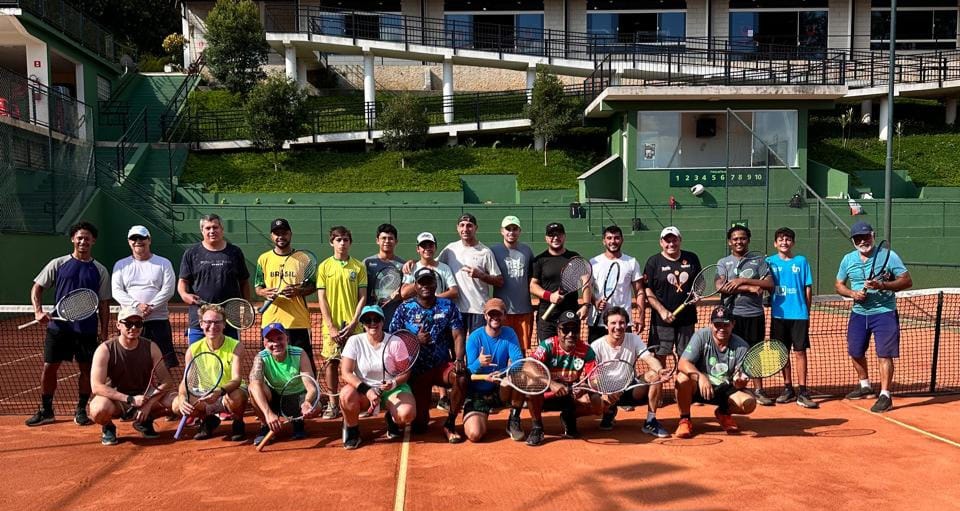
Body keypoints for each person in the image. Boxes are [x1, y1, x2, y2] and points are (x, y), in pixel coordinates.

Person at [26, 221, 112, 427]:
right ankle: (46, 410)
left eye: (87, 238)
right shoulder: (58, 264)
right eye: (79, 237)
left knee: (87, 370)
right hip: (59, 329)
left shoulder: (100, 270)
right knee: (49, 368)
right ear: (73, 239)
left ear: (93, 241)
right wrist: (38, 311)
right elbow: (37, 287)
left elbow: (104, 304)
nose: (83, 241)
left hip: (87, 330)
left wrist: (104, 332)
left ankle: (81, 410)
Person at [835, 221, 911, 413]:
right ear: (853, 241)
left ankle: (885, 395)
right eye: (858, 238)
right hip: (859, 313)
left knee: (884, 354)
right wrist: (852, 293)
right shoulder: (847, 259)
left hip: (884, 313)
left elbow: (907, 281)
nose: (863, 241)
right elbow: (839, 285)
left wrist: (882, 285)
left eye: (866, 237)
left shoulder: (889, 256)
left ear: (873, 235)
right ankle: (865, 386)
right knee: (855, 351)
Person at [389, 267, 468, 443]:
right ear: (415, 285)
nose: (425, 286)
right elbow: (393, 339)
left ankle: (450, 423)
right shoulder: (404, 308)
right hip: (417, 371)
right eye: (421, 282)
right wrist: (415, 340)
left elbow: (458, 335)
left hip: (441, 366)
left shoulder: (448, 306)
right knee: (419, 427)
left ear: (435, 284)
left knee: (462, 377)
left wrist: (459, 359)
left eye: (429, 282)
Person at [89, 307, 175, 445]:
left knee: (176, 402)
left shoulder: (151, 347)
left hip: (144, 397)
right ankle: (108, 426)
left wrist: (149, 403)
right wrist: (130, 399)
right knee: (98, 410)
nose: (133, 328)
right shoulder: (105, 349)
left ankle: (145, 420)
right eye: (128, 324)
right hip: (116, 400)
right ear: (118, 325)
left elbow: (167, 381)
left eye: (138, 324)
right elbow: (96, 387)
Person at [339, 305, 417, 449]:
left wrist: (393, 383)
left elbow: (405, 373)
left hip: (393, 389)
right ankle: (352, 430)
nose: (372, 323)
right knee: (346, 395)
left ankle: (392, 419)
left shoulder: (395, 342)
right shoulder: (354, 341)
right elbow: (346, 372)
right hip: (363, 390)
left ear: (382, 321)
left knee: (406, 414)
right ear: (363, 324)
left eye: (376, 319)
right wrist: (367, 390)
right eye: (368, 320)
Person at [674, 306, 757, 438]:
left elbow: (741, 379)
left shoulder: (742, 346)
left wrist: (739, 382)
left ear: (733, 324)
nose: (721, 329)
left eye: (726, 325)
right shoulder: (701, 336)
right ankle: (685, 419)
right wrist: (700, 377)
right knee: (682, 378)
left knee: (749, 403)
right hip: (699, 388)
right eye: (717, 325)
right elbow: (683, 363)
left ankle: (723, 413)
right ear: (711, 324)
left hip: (725, 390)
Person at [590, 306, 669, 438]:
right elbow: (592, 378)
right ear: (606, 325)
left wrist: (660, 370)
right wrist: (604, 392)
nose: (618, 327)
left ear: (626, 325)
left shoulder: (633, 339)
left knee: (654, 376)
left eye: (622, 323)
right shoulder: (596, 346)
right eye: (613, 323)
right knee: (593, 402)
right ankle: (608, 411)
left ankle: (650, 421)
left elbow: (649, 358)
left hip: (630, 389)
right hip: (607, 392)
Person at [716, 225, 774, 405]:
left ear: (748, 240)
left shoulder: (759, 261)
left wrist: (742, 280)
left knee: (755, 353)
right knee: (730, 352)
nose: (739, 242)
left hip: (755, 314)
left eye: (742, 238)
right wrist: (749, 287)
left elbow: (769, 284)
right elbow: (720, 286)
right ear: (729, 242)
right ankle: (728, 388)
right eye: (735, 239)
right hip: (731, 316)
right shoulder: (723, 262)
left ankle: (759, 390)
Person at [525, 311, 601, 446]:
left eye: (574, 329)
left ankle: (568, 416)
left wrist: (585, 388)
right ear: (558, 330)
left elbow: (594, 379)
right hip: (545, 394)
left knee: (596, 400)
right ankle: (537, 427)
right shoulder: (548, 345)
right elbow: (527, 365)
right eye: (565, 329)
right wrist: (551, 383)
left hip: (569, 394)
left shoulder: (586, 350)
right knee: (531, 385)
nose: (570, 334)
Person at [173, 303, 248, 441]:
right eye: (208, 322)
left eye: (217, 322)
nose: (212, 326)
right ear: (201, 324)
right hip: (204, 395)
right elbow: (186, 381)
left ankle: (238, 421)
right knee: (177, 405)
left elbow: (237, 379)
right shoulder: (193, 350)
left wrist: (219, 391)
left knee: (237, 396)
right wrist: (182, 397)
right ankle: (207, 420)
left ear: (224, 324)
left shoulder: (236, 346)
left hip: (227, 393)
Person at [316, 225, 368, 420]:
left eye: (346, 240)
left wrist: (354, 322)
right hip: (332, 327)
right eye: (338, 240)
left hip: (354, 326)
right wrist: (331, 326)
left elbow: (362, 297)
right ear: (332, 242)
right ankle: (333, 404)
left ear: (350, 243)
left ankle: (358, 401)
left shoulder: (358, 267)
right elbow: (322, 298)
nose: (342, 243)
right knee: (331, 363)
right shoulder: (324, 267)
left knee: (357, 365)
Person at [254, 218, 318, 372]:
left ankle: (307, 388)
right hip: (271, 321)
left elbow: (312, 286)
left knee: (305, 366)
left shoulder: (304, 258)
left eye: (284, 233)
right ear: (271, 236)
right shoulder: (263, 259)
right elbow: (258, 287)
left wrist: (298, 291)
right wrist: (264, 292)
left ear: (290, 234)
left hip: (297, 321)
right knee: (269, 365)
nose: (280, 236)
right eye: (277, 233)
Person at [177, 213, 250, 343]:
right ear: (202, 231)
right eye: (208, 228)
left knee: (231, 354)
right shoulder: (191, 253)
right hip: (199, 319)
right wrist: (184, 295)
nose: (212, 231)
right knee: (197, 355)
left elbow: (244, 282)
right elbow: (183, 281)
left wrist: (246, 307)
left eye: (215, 227)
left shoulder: (235, 252)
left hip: (229, 319)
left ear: (222, 229)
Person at [766, 227, 818, 408]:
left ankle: (802, 391)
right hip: (778, 315)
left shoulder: (801, 261)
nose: (784, 242)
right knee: (782, 352)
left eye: (788, 239)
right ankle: (788, 388)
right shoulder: (769, 262)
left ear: (793, 243)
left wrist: (806, 312)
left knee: (800, 352)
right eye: (780, 239)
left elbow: (807, 288)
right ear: (775, 243)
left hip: (799, 315)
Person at [112, 225, 176, 367]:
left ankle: (164, 383)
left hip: (158, 321)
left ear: (149, 240)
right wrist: (137, 306)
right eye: (134, 238)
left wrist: (151, 306)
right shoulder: (120, 265)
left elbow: (168, 289)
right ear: (129, 242)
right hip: (130, 323)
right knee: (131, 365)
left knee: (164, 365)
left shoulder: (164, 263)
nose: (138, 241)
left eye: (142, 238)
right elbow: (116, 291)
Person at [248, 322, 320, 447]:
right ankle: (265, 425)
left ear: (287, 339)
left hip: (298, 398)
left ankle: (298, 421)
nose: (276, 344)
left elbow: (311, 387)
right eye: (270, 340)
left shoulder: (299, 353)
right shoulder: (261, 357)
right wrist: (268, 413)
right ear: (264, 343)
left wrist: (307, 402)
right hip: (275, 398)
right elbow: (254, 385)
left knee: (316, 406)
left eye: (279, 338)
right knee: (253, 388)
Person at [464, 298, 525, 442]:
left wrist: (503, 373)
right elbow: (468, 373)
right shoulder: (474, 337)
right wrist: (479, 363)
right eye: (491, 314)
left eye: (499, 313)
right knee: (474, 434)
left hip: (500, 390)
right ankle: (479, 416)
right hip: (478, 393)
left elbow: (519, 362)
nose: (495, 317)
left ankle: (513, 419)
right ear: (485, 316)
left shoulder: (510, 333)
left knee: (521, 375)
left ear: (504, 316)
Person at [437, 213, 503, 334]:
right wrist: (413, 262)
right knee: (457, 344)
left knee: (477, 345)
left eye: (469, 225)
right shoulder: (450, 249)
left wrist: (481, 275)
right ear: (457, 228)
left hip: (478, 310)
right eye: (462, 225)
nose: (465, 229)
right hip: (456, 309)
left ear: (476, 228)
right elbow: (433, 265)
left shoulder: (485, 252)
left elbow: (499, 281)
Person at [643, 226, 702, 359]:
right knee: (660, 356)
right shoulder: (653, 262)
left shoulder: (692, 258)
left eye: (674, 240)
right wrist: (662, 310)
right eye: (667, 241)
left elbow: (699, 282)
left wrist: (697, 294)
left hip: (687, 318)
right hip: (662, 320)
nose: (671, 244)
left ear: (680, 240)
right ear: (661, 242)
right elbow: (647, 289)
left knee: (686, 357)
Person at [530, 222, 590, 341]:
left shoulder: (574, 257)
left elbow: (585, 282)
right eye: (551, 235)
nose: (555, 238)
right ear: (546, 238)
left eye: (559, 234)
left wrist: (586, 305)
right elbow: (532, 286)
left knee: (571, 350)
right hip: (547, 318)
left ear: (564, 236)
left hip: (570, 315)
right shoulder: (540, 260)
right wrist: (550, 296)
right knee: (547, 351)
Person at [588, 225, 646, 342]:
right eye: (609, 238)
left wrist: (641, 317)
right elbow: (587, 290)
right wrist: (595, 301)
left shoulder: (631, 262)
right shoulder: (593, 263)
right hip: (597, 322)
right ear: (604, 241)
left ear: (622, 240)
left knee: (624, 353)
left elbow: (639, 291)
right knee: (595, 354)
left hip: (622, 322)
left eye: (616, 238)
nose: (613, 241)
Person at [490, 216, 535, 353]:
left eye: (514, 229)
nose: (511, 232)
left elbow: (532, 278)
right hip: (501, 312)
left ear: (519, 231)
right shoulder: (493, 251)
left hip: (523, 310)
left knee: (521, 350)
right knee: (500, 349)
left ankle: (519, 368)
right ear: (502, 231)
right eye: (508, 229)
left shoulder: (527, 251)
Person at [363, 223, 405, 324]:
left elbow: (406, 291)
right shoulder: (367, 263)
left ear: (396, 241)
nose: (387, 241)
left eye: (390, 238)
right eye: (383, 238)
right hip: (371, 320)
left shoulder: (403, 265)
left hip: (393, 319)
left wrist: (399, 296)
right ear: (377, 240)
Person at [400, 232, 459, 301]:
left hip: (438, 307)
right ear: (418, 249)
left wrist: (434, 299)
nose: (427, 248)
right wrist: (422, 279)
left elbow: (454, 292)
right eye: (423, 246)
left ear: (435, 248)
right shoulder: (411, 268)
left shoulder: (444, 268)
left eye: (430, 245)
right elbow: (404, 294)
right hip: (417, 308)